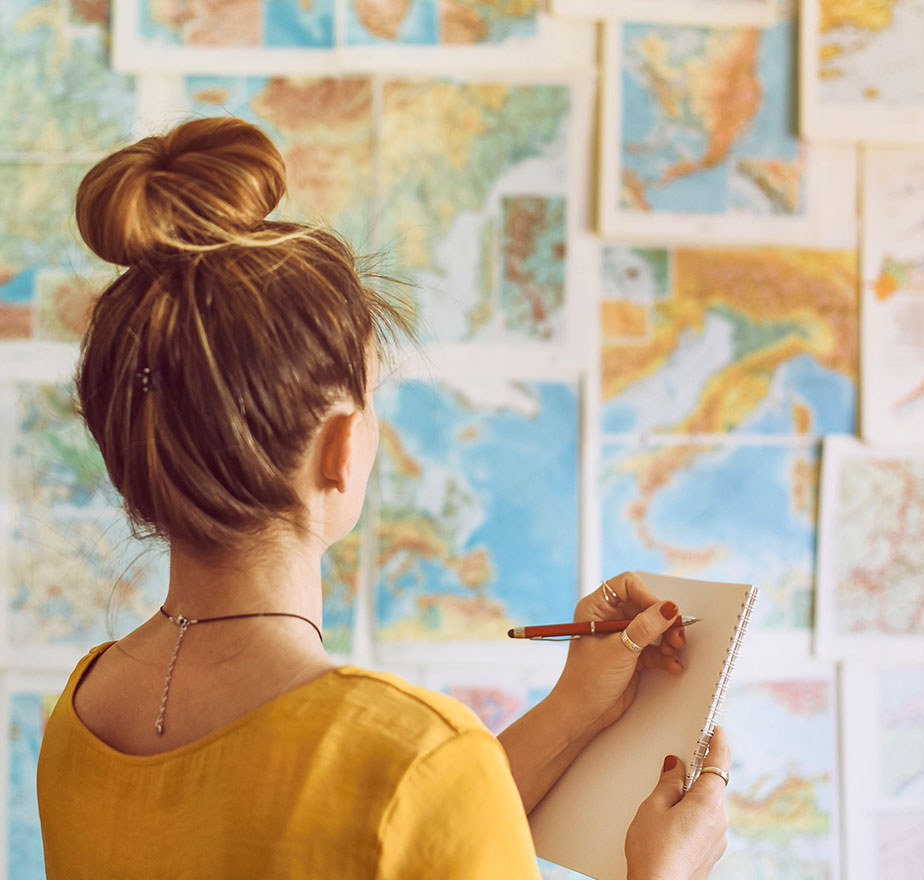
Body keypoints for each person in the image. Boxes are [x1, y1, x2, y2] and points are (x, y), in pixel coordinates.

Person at [36, 116, 731, 879]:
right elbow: (407, 802)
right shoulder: (415, 755)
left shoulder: (82, 714)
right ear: (340, 447)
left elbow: (391, 833)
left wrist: (576, 709)